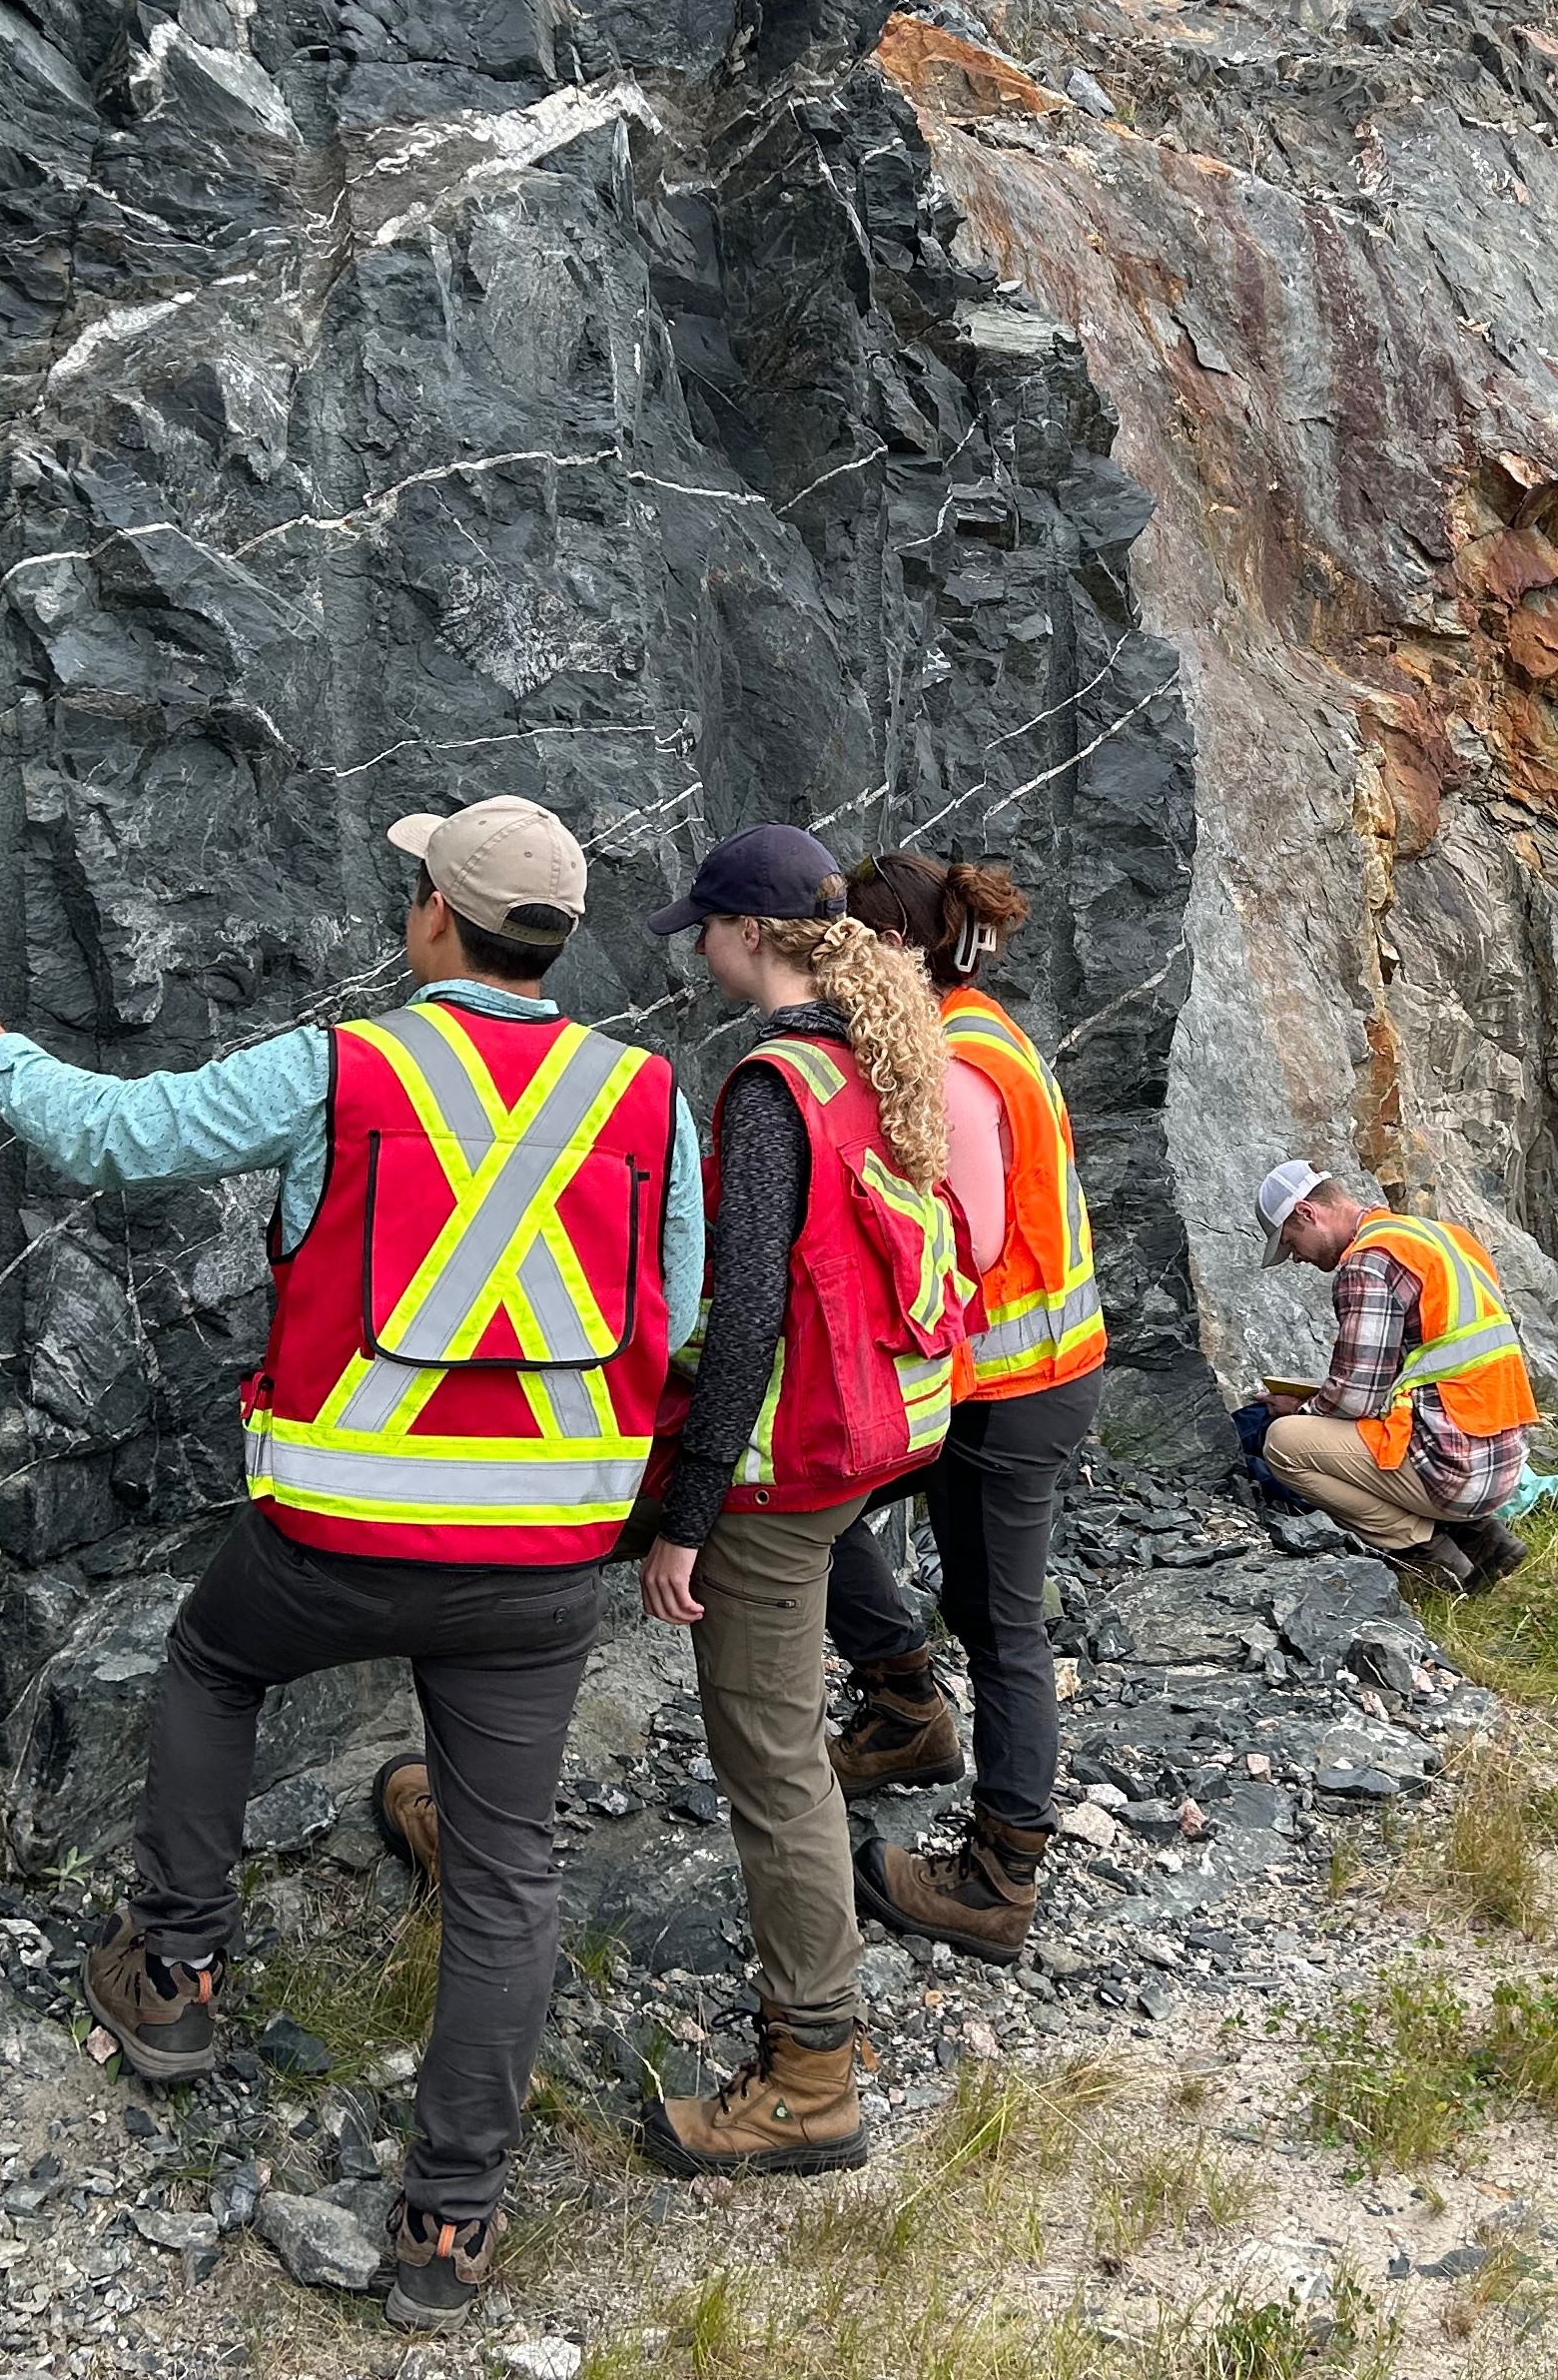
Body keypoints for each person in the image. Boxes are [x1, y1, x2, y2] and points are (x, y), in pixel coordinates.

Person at [0, 795, 697, 2333]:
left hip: (335, 1535)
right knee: (509, 1867)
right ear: (559, 940)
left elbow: (121, 1137)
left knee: (214, 1661)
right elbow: (686, 1310)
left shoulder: (350, 1066)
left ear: (437, 921)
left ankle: (176, 1974)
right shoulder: (650, 1101)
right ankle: (448, 2224)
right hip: (539, 1567)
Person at [631, 823, 969, 2176]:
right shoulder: (874, 1058)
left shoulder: (770, 1083)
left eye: (703, 929)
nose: (696, 950)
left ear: (752, 937)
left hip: (781, 1479)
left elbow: (751, 1306)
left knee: (773, 1769)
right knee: (782, 1752)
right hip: (872, 1445)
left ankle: (812, 2073)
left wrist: (686, 1512)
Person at [819, 854, 1107, 1965]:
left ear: (893, 949)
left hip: (1009, 1393)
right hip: (1010, 1382)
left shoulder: (955, 1061)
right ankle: (902, 1709)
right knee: (817, 1498)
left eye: (847, 944)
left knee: (1002, 1628)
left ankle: (999, 1877)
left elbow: (969, 1237)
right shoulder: (978, 1027)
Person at [1249, 1161, 1541, 1589]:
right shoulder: (1441, 1237)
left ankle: (1428, 1555)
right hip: (1504, 1460)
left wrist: (1297, 1407)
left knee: (1284, 1443)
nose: (1296, 1257)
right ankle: (1482, 1539)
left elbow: (1354, 1399)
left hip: (1456, 1471)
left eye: (1291, 1242)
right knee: (1354, 1429)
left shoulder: (1369, 1263)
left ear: (1307, 1213)